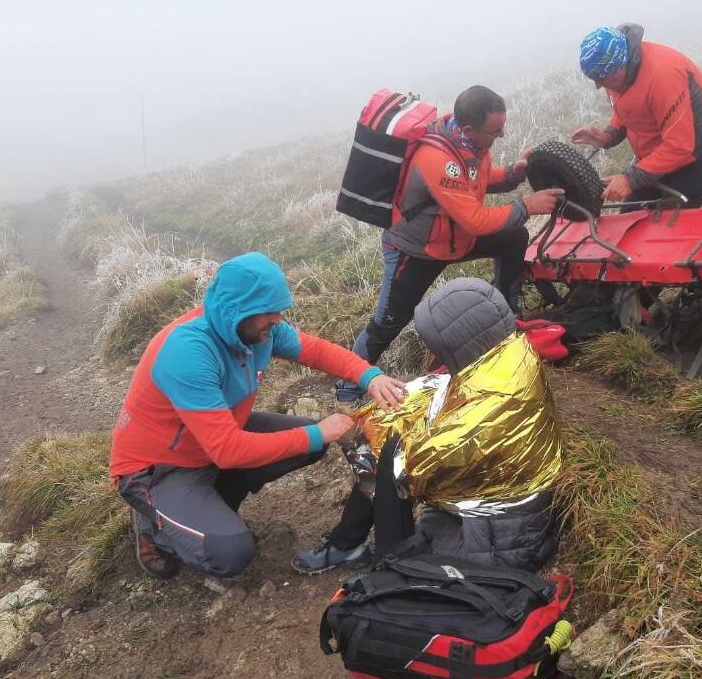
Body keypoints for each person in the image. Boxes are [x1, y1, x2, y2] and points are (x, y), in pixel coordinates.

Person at [110, 252, 407, 580]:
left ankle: (211, 503)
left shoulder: (256, 331)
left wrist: (370, 377)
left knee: (307, 443)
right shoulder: (188, 352)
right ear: (237, 310)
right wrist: (319, 433)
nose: (277, 319)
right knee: (229, 552)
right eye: (268, 313)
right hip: (159, 468)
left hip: (213, 441)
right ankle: (156, 527)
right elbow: (228, 451)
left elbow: (316, 350)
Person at [295, 277, 563, 575]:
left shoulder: (493, 403)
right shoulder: (501, 354)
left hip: (496, 540)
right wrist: (373, 418)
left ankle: (386, 567)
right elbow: (437, 391)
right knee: (377, 438)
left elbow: (413, 471)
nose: (433, 352)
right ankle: (350, 544)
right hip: (479, 513)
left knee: (389, 464)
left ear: (459, 340)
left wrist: (357, 434)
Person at [335, 85, 564, 405]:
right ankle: (348, 389)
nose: (501, 135)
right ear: (470, 127)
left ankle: (506, 314)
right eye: (495, 130)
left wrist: (513, 174)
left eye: (502, 126)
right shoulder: (439, 159)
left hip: (454, 240)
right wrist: (526, 206)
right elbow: (474, 219)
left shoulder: (469, 142)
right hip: (416, 251)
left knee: (513, 239)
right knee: (387, 323)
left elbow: (477, 180)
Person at [571, 24, 702, 209]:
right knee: (631, 215)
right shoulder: (613, 73)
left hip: (699, 156)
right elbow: (629, 106)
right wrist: (609, 135)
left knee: (669, 224)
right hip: (658, 155)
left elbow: (680, 146)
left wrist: (630, 179)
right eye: (596, 79)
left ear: (623, 63)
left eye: (604, 78)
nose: (600, 85)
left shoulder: (663, 77)